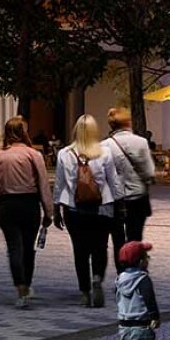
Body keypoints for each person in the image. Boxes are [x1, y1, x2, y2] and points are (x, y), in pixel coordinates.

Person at [54, 115, 127, 308]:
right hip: (102, 208)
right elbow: (114, 180)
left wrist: (55, 208)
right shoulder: (104, 152)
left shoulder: (64, 153)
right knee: (100, 247)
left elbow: (59, 183)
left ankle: (85, 291)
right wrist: (120, 204)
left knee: (80, 250)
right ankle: (97, 277)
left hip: (74, 209)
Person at [0, 117, 50, 308]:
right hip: (29, 204)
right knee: (29, 248)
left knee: (14, 248)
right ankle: (27, 284)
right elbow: (43, 184)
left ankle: (20, 287)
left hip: (7, 205)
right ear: (24, 132)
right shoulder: (33, 155)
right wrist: (49, 211)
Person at [104, 107, 159, 255]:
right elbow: (149, 172)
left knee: (117, 239)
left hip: (115, 199)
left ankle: (121, 271)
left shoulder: (105, 145)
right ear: (128, 122)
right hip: (137, 198)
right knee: (135, 237)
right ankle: (134, 270)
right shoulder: (141, 142)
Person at [110, 240, 160, 340]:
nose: (148, 260)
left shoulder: (120, 279)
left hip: (124, 325)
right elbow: (149, 299)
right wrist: (155, 316)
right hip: (141, 325)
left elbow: (117, 297)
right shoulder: (143, 279)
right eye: (146, 257)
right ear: (140, 262)